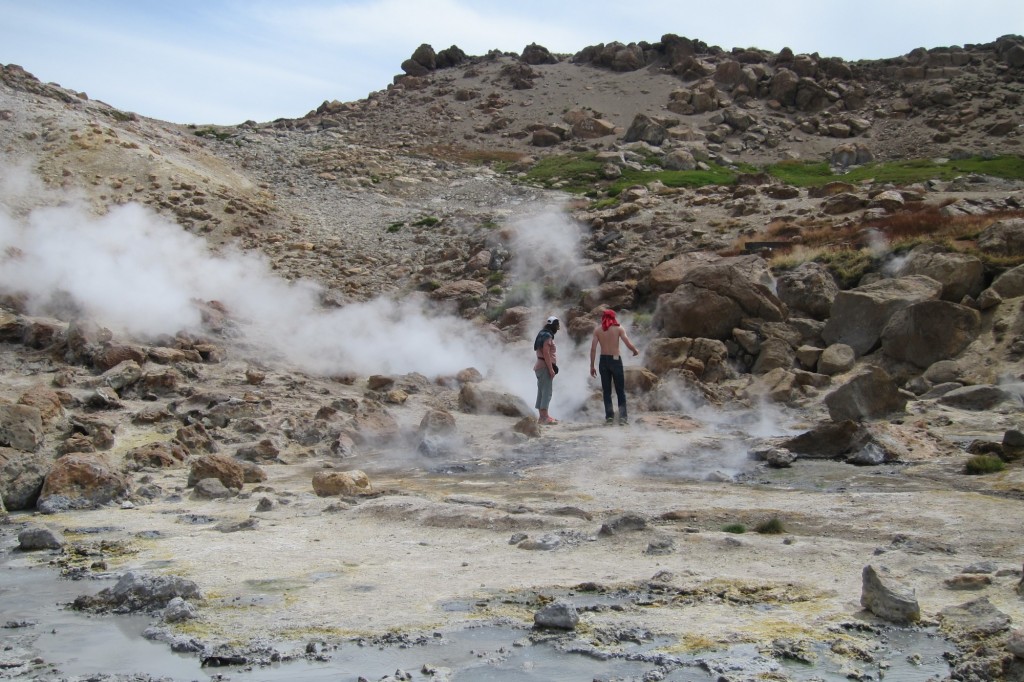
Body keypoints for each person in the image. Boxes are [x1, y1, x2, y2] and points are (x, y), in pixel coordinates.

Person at [589, 309, 639, 425]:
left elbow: (593, 349)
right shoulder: (619, 328)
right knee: (620, 390)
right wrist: (635, 350)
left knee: (606, 391)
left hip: (603, 361)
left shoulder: (598, 330)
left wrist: (592, 366)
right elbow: (627, 342)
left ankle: (609, 418)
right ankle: (622, 418)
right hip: (616, 360)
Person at [533, 315, 560, 425]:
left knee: (541, 391)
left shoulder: (541, 334)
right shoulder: (548, 336)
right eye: (557, 326)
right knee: (547, 392)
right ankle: (545, 417)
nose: (558, 328)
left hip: (539, 365)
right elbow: (546, 353)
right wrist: (551, 369)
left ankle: (542, 416)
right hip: (544, 367)